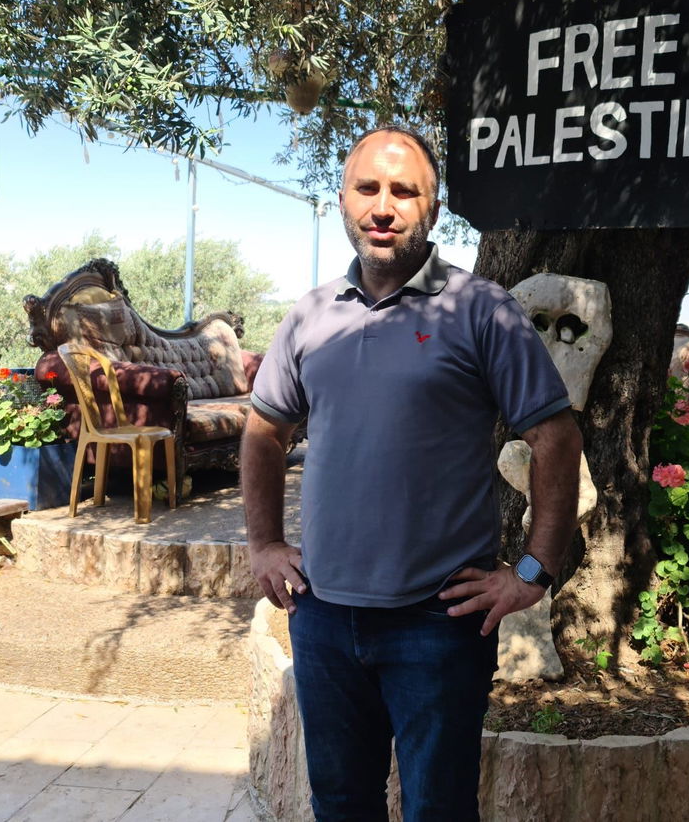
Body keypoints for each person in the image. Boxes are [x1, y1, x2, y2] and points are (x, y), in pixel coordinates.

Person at [241, 124, 584, 822]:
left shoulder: (479, 308)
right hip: (325, 617)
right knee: (340, 803)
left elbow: (554, 434)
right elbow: (264, 432)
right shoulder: (309, 316)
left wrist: (533, 569)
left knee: (439, 808)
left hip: (439, 623)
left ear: (432, 207)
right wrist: (264, 544)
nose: (384, 205)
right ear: (343, 198)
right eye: (368, 188)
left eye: (405, 191)